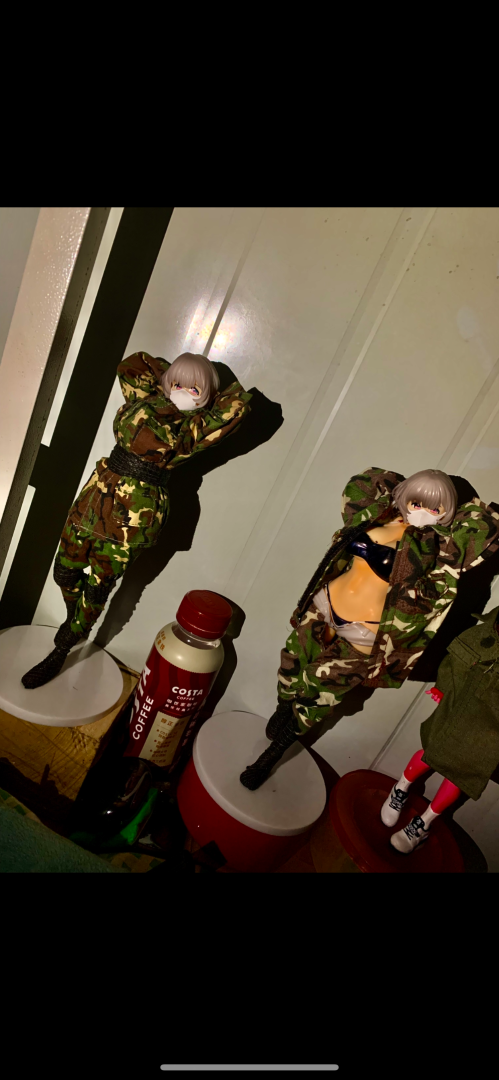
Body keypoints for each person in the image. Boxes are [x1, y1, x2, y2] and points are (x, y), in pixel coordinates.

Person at [240, 467, 499, 790]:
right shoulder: (378, 516)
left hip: (365, 633)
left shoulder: (437, 550)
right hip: (324, 606)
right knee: (291, 664)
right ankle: (283, 707)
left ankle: (272, 754)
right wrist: (399, 497)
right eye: (417, 502)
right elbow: (362, 485)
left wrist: (456, 511)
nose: (423, 512)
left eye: (436, 508)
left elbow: (483, 528)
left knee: (320, 694)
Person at [22, 351, 251, 689]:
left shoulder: (195, 428)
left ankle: (63, 646)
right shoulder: (144, 399)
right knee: (63, 570)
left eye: (194, 389)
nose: (183, 392)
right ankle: (74, 619)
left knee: (98, 586)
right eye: (177, 384)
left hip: (133, 518)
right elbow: (133, 365)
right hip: (95, 497)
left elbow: (236, 407)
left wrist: (205, 397)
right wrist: (172, 380)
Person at [382, 604, 499, 853]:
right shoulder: (482, 634)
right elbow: (454, 661)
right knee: (430, 752)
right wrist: (443, 687)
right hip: (458, 708)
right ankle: (400, 788)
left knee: (460, 775)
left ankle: (424, 824)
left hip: (490, 727)